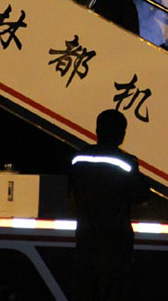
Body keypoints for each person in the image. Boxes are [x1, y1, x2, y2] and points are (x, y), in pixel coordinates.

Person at [70, 109, 150, 301]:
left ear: (97, 130)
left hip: (85, 240)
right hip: (115, 245)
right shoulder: (126, 163)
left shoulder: (78, 159)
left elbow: (71, 192)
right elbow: (141, 195)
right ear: (121, 134)